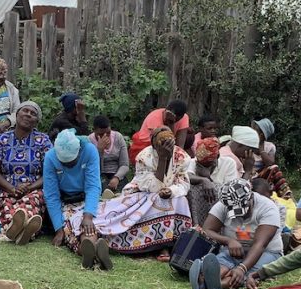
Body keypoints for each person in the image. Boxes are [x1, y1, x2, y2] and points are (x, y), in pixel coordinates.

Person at [69, 126, 192, 261]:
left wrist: (171, 191)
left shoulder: (182, 157)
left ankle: (170, 245)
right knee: (156, 199)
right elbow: (153, 187)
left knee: (180, 200)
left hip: (168, 197)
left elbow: (184, 184)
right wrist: (162, 158)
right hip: (142, 194)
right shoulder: (144, 157)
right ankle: (98, 245)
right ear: (153, 145)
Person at [195, 178, 284, 289]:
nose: (239, 215)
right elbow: (207, 230)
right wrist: (228, 241)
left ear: (250, 197)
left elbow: (260, 244)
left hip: (266, 252)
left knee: (250, 273)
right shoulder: (224, 204)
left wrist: (242, 268)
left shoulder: (268, 208)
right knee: (222, 263)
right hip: (234, 251)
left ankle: (216, 286)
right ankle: (210, 277)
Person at [0, 101, 52, 244]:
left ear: (36, 121)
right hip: (6, 187)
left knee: (31, 201)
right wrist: (12, 189)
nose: (28, 115)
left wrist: (29, 188)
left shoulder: (43, 140)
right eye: (25, 111)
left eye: (33, 113)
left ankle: (15, 229)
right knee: (6, 202)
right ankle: (23, 231)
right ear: (16, 115)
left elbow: (49, 174)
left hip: (33, 188)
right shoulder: (2, 139)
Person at [43, 129, 106, 269]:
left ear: (79, 150)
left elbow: (93, 186)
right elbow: (51, 195)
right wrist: (59, 229)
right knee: (71, 227)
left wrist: (88, 215)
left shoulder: (90, 150)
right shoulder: (50, 157)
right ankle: (90, 251)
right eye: (64, 163)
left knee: (94, 223)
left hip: (88, 199)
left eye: (72, 161)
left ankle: (93, 249)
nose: (68, 165)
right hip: (66, 203)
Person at [185, 136, 237, 226]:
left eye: (208, 164)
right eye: (201, 164)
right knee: (192, 189)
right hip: (198, 207)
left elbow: (230, 189)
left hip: (220, 205)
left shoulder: (229, 163)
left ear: (218, 156)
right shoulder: (193, 162)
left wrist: (208, 178)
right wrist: (204, 180)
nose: (205, 167)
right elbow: (186, 177)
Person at [88, 115, 129, 194]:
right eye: (101, 134)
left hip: (117, 172)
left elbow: (125, 164)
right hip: (99, 174)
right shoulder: (89, 141)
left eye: (108, 133)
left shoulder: (118, 137)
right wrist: (99, 151)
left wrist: (117, 177)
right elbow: (93, 168)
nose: (105, 136)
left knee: (124, 192)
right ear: (94, 131)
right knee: (103, 190)